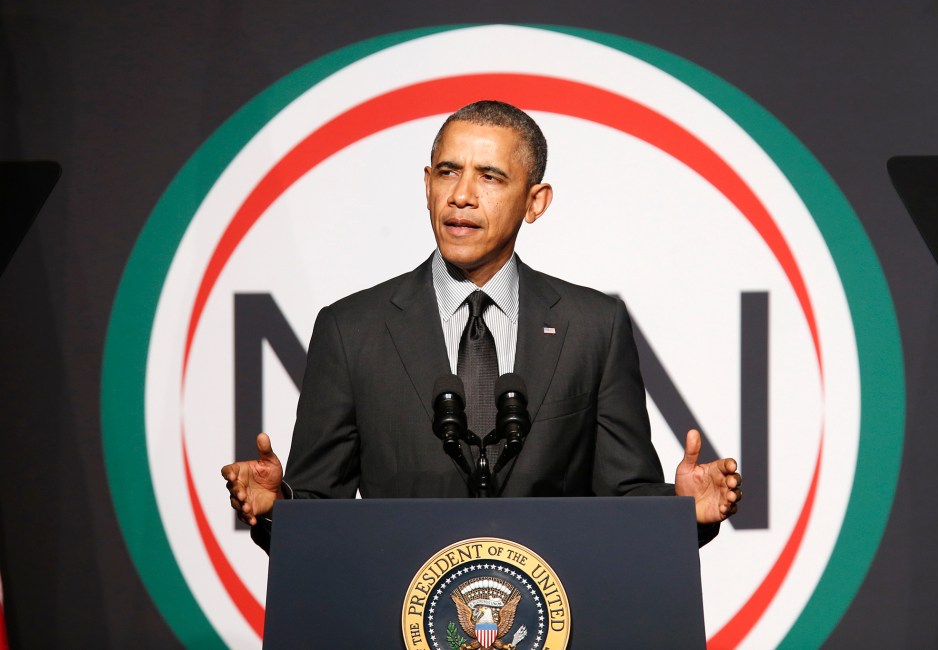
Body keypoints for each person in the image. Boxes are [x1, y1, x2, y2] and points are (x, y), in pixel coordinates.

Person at [222, 100, 742, 549]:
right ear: (427, 186)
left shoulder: (593, 327)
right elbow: (319, 510)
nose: (462, 195)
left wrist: (679, 510)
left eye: (490, 177)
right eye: (448, 172)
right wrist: (276, 505)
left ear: (535, 202)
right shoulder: (350, 329)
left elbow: (625, 498)